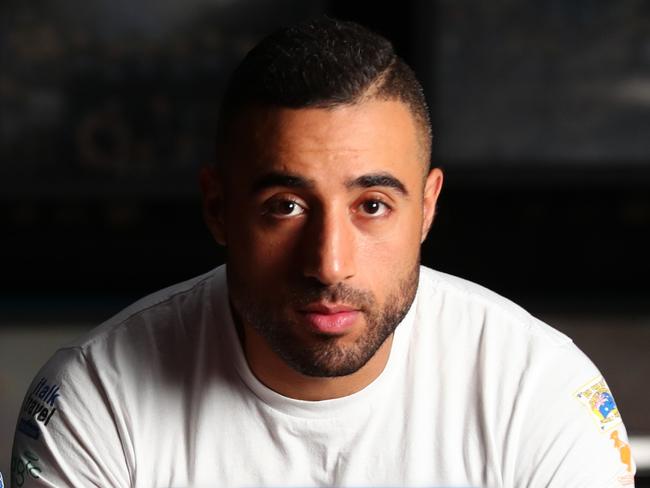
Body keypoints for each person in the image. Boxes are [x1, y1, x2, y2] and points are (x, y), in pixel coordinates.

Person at [11, 17, 635, 488]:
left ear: (427, 207)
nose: (329, 264)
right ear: (218, 208)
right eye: (285, 205)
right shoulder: (97, 401)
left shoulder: (539, 392)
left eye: (372, 205)